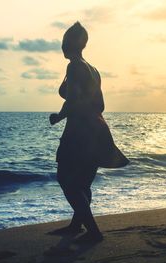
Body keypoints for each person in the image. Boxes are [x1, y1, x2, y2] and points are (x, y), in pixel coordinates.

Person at [48, 21, 129, 243]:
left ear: (72, 43)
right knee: (83, 183)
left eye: (65, 41)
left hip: (80, 132)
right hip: (98, 129)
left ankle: (93, 232)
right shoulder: (93, 69)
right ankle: (76, 226)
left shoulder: (74, 66)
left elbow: (73, 99)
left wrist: (58, 117)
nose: (62, 45)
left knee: (65, 179)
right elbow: (100, 104)